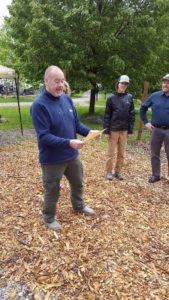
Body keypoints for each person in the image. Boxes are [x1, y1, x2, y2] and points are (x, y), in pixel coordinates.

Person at [31, 65, 99, 231]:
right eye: (56, 81)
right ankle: (48, 217)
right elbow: (44, 136)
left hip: (71, 155)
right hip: (52, 159)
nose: (60, 85)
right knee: (52, 189)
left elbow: (75, 123)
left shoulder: (66, 99)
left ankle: (79, 205)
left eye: (62, 81)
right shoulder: (39, 105)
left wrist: (89, 132)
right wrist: (69, 142)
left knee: (78, 182)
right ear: (46, 81)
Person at [103, 75, 135, 181]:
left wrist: (130, 129)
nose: (123, 85)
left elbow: (132, 114)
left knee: (121, 153)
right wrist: (107, 130)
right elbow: (107, 115)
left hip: (124, 130)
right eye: (122, 83)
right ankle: (108, 172)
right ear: (118, 83)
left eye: (126, 84)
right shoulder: (111, 98)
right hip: (113, 129)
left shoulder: (129, 97)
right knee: (110, 153)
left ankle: (118, 172)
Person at [140, 74, 169, 183]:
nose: (165, 84)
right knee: (154, 153)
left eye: (168, 82)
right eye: (164, 82)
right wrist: (146, 122)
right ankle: (156, 175)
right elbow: (143, 108)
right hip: (156, 130)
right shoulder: (155, 96)